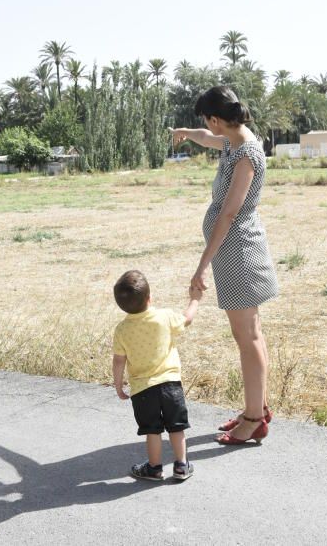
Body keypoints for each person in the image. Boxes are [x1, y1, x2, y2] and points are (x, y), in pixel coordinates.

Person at [170, 86, 278, 445]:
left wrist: (203, 265)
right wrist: (186, 133)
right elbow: (205, 137)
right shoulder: (234, 140)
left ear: (218, 119)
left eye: (206, 120)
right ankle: (256, 409)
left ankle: (254, 419)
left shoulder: (245, 153)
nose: (204, 126)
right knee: (250, 336)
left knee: (247, 339)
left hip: (239, 254)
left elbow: (229, 214)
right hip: (236, 253)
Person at [112, 269, 201, 480]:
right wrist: (195, 299)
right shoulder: (165, 316)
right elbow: (187, 319)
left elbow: (118, 361)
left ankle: (154, 467)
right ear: (149, 298)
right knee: (176, 427)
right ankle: (181, 465)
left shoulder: (122, 330)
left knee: (152, 431)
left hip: (142, 390)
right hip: (171, 384)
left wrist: (118, 386)